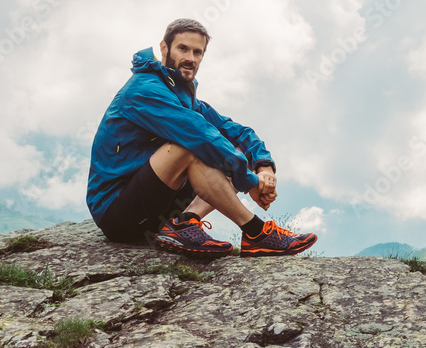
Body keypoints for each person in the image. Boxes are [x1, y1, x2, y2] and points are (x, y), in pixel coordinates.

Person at [86, 18, 317, 257]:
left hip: (158, 207)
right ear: (164, 48)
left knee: (237, 148)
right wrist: (249, 183)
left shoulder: (184, 95)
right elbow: (199, 135)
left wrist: (264, 168)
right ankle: (256, 232)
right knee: (186, 148)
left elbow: (237, 131)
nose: (191, 58)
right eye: (183, 48)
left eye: (198, 52)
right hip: (119, 216)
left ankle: (184, 222)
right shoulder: (144, 90)